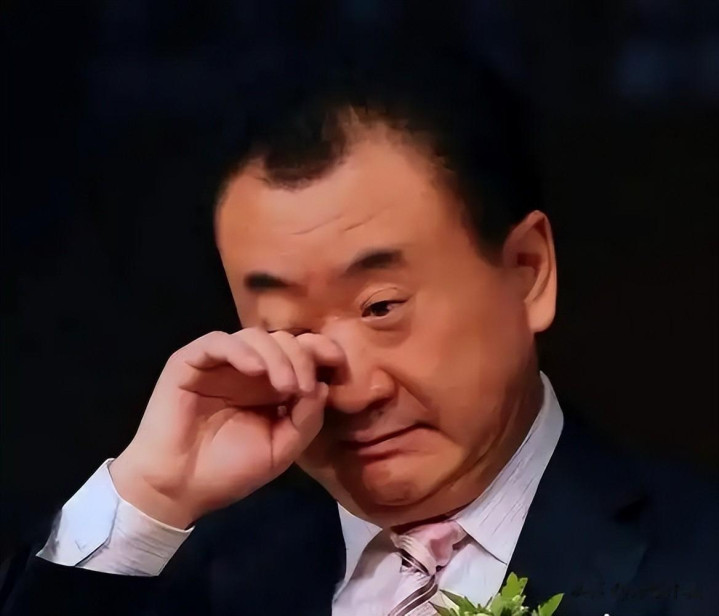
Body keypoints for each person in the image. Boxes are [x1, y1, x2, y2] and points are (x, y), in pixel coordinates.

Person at [1, 33, 716, 616]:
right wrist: (148, 497)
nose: (351, 389)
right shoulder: (199, 577)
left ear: (528, 273)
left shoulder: (696, 563)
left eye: (381, 308)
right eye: (288, 330)